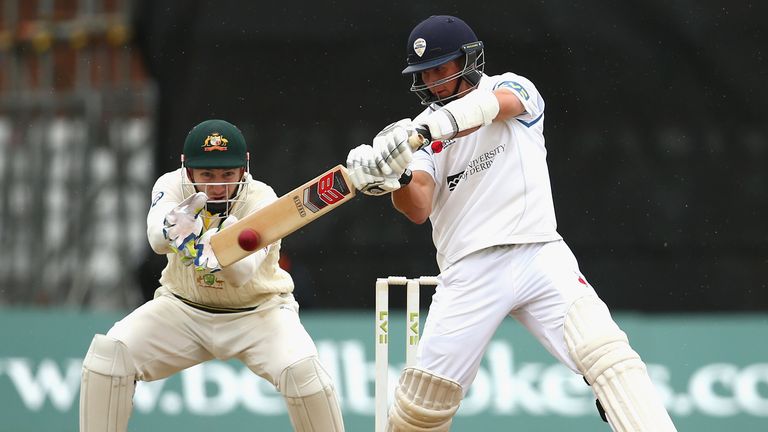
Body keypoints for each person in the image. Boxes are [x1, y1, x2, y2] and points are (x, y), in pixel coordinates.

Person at [346, 15, 677, 432]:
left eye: (441, 68)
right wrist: (398, 177)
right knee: (421, 408)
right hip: (468, 269)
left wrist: (433, 128)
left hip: (539, 253)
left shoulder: (513, 86)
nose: (433, 81)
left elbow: (502, 106)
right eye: (424, 73)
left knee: (608, 356)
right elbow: (418, 207)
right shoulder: (419, 137)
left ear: (468, 60)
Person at [79, 119, 345, 432]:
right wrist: (172, 229)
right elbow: (155, 238)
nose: (217, 186)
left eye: (227, 175)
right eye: (207, 175)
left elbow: (240, 276)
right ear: (187, 169)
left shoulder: (263, 199)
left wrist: (213, 248)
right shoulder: (171, 185)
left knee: (304, 374)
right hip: (183, 309)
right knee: (109, 357)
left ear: (244, 169)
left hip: (259, 314)